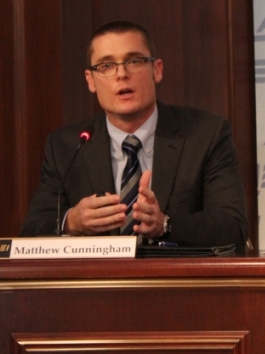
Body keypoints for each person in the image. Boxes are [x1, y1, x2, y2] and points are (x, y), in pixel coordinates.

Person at [21, 21, 248, 251]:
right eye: (106, 65)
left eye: (134, 61)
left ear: (157, 70)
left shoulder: (206, 135)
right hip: (97, 285)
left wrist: (165, 223)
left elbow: (234, 229)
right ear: (91, 80)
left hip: (177, 283)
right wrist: (72, 222)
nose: (122, 74)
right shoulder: (67, 146)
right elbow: (31, 231)